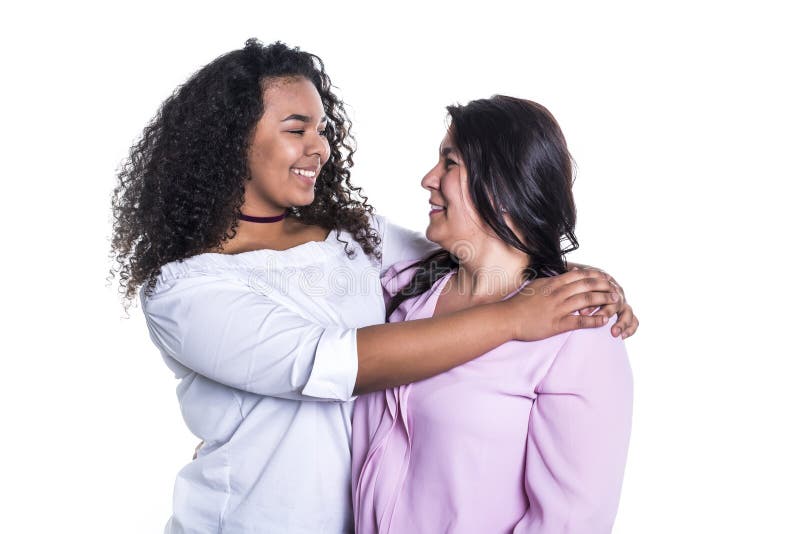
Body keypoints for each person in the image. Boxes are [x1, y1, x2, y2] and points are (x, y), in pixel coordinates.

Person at [109, 40, 638, 533]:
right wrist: (516, 319)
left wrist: (579, 283)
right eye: (297, 130)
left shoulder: (354, 239)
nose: (319, 148)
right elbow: (325, 360)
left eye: (322, 130)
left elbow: (480, 252)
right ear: (231, 140)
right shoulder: (184, 288)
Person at [351, 96, 634, 534]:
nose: (428, 179)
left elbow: (570, 522)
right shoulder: (401, 290)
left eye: (450, 162)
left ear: (502, 185)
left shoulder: (580, 332)